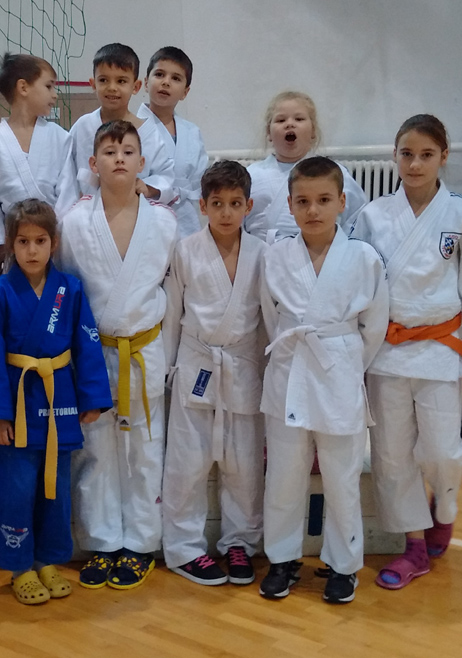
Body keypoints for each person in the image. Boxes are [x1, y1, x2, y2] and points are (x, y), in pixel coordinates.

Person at [348, 115, 462, 590]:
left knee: (442, 450)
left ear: (444, 157)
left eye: (426, 154)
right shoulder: (373, 216)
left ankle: (444, 506)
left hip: (442, 349)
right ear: (394, 156)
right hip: (386, 351)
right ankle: (414, 546)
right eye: (407, 154)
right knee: (390, 453)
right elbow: (355, 282)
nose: (415, 164)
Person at [258, 156, 389, 605]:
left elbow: (374, 326)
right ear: (290, 205)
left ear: (341, 202)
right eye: (303, 202)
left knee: (341, 477)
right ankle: (282, 559)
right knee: (283, 476)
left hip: (339, 371)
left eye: (323, 200)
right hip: (289, 370)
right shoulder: (275, 255)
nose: (313, 210)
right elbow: (271, 318)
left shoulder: (364, 258)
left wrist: (346, 360)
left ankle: (343, 564)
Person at [58, 120, 177, 590]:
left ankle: (142, 543)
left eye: (128, 151)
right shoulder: (73, 222)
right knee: (96, 451)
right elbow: (69, 287)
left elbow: (173, 290)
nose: (120, 158)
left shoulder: (164, 222)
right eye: (109, 152)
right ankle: (102, 542)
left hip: (144, 348)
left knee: (144, 448)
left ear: (142, 162)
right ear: (93, 164)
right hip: (94, 352)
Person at [0, 199, 112, 605]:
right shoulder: (0, 293)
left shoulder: (70, 288)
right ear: (11, 245)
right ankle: (20, 566)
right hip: (18, 402)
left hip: (60, 400)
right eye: (23, 242)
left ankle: (48, 560)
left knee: (56, 487)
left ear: (54, 243)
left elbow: (87, 343)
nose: (32, 250)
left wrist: (93, 396)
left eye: (40, 241)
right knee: (17, 488)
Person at [160, 161, 266, 586]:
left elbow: (268, 321)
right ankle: (184, 548)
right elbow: (171, 313)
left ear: (249, 206)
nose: (226, 212)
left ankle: (240, 543)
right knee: (187, 463)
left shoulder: (262, 254)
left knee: (244, 465)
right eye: (217, 203)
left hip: (243, 367)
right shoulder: (185, 250)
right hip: (196, 365)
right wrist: (168, 369)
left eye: (235, 204)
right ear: (202, 206)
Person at [55, 43, 175, 216]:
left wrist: (148, 187)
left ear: (136, 86)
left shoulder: (149, 133)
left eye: (121, 81)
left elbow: (166, 176)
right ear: (93, 84)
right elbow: (66, 172)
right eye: (103, 80)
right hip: (88, 215)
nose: (112, 87)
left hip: (135, 215)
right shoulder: (83, 126)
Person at [0, 53, 71, 270]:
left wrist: (55, 234)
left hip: (52, 239)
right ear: (23, 87)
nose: (54, 95)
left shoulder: (60, 137)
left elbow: (68, 191)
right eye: (48, 86)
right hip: (14, 242)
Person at [243, 91, 367, 243]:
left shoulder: (333, 172)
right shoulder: (251, 175)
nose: (289, 124)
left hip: (321, 252)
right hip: (262, 254)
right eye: (281, 120)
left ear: (313, 130)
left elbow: (356, 221)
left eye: (299, 119)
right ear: (269, 132)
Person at [138, 46, 209, 237]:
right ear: (146, 83)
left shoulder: (192, 132)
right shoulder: (131, 128)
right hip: (146, 216)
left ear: (185, 92)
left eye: (176, 78)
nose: (166, 82)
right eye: (159, 74)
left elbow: (199, 182)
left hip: (187, 218)